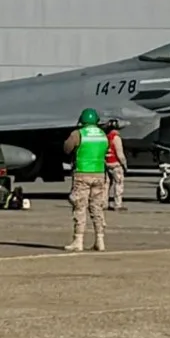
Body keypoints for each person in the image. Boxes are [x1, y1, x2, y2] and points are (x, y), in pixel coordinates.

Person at [62, 108, 109, 252]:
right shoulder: (103, 134)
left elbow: (67, 148)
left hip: (82, 173)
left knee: (80, 206)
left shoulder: (78, 134)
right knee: (97, 207)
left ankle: (78, 240)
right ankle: (100, 240)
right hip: (99, 173)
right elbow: (105, 150)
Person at [103, 119, 127, 211]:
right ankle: (118, 204)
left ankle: (104, 203)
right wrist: (125, 165)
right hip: (116, 165)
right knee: (119, 184)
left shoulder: (106, 137)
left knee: (106, 185)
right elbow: (120, 154)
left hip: (107, 164)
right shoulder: (116, 138)